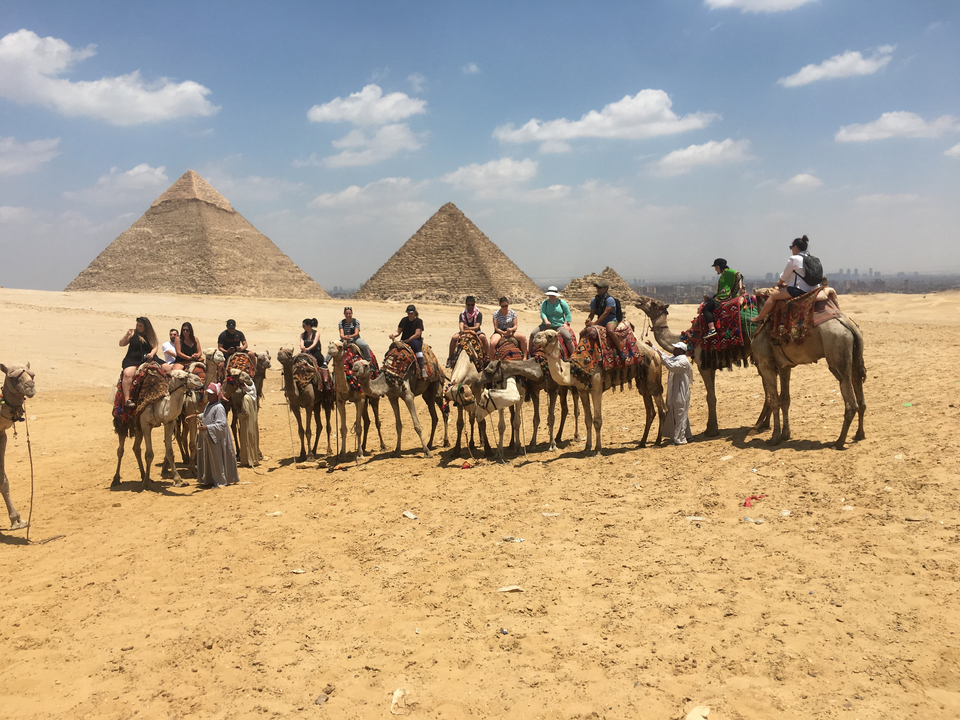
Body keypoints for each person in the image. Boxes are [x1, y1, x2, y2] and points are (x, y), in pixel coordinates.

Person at [750, 235, 817, 325]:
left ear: (796, 247)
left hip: (800, 290)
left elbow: (784, 277)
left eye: (791, 247)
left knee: (773, 295)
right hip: (814, 289)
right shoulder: (812, 259)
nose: (791, 249)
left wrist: (779, 283)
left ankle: (760, 317)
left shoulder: (794, 259)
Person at [196, 383, 239, 487]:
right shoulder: (209, 405)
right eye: (208, 394)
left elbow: (221, 424)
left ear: (217, 395)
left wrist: (207, 428)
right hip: (209, 436)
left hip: (216, 438)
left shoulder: (219, 407)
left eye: (211, 394)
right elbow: (207, 414)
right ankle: (209, 479)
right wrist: (197, 416)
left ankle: (220, 480)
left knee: (217, 459)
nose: (209, 396)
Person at [650, 340, 693, 445]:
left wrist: (663, 357)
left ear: (681, 351)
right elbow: (665, 358)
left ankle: (680, 439)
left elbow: (671, 366)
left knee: (680, 415)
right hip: (674, 392)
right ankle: (688, 436)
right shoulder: (676, 358)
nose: (674, 349)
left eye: (676, 348)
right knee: (680, 415)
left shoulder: (683, 362)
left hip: (681, 393)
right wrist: (652, 347)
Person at [119, 316, 159, 409]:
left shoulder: (150, 335)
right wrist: (127, 335)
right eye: (137, 325)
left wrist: (152, 353)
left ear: (146, 326)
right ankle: (127, 399)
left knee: (167, 368)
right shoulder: (133, 333)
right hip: (133, 358)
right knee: (128, 374)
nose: (138, 327)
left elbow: (155, 345)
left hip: (148, 357)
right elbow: (121, 344)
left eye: (140, 325)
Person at [702, 258, 743, 340]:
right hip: (722, 296)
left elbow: (738, 275)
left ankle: (712, 329)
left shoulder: (728, 272)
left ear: (719, 267)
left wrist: (741, 289)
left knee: (706, 309)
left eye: (716, 268)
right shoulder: (724, 273)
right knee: (709, 301)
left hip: (725, 297)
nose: (716, 270)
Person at [531, 286, 576, 356]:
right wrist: (546, 321)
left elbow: (568, 313)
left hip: (559, 325)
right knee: (533, 334)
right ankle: (530, 354)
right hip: (546, 325)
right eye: (550, 294)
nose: (551, 296)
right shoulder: (545, 303)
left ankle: (573, 356)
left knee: (567, 337)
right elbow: (542, 313)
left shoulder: (562, 303)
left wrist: (565, 323)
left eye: (553, 295)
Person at [586, 281, 625, 359]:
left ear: (606, 289)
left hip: (610, 320)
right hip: (600, 320)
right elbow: (592, 313)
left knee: (610, 331)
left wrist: (595, 323)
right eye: (597, 288)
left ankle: (620, 351)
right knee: (585, 332)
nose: (598, 289)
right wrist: (589, 320)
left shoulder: (610, 300)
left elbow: (606, 313)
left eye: (600, 288)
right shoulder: (594, 300)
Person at [390, 304, 428, 378]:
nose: (409, 314)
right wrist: (393, 335)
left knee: (417, 350)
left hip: (414, 340)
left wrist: (408, 340)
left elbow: (417, 334)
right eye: (408, 313)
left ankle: (423, 369)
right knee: (391, 351)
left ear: (414, 313)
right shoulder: (404, 320)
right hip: (403, 340)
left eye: (411, 313)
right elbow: (398, 331)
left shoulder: (418, 321)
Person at [448, 296, 487, 367]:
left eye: (472, 305)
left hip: (476, 331)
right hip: (465, 332)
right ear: (466, 304)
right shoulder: (462, 314)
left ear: (474, 304)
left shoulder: (478, 314)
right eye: (468, 305)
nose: (470, 306)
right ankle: (450, 359)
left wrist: (469, 328)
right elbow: (461, 324)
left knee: (483, 337)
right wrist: (462, 330)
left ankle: (487, 358)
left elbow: (477, 326)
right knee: (454, 338)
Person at [299, 318, 330, 384]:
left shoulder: (316, 333)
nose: (303, 327)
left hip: (315, 351)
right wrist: (302, 347)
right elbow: (301, 342)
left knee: (321, 362)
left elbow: (314, 343)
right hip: (305, 352)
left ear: (308, 326)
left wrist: (307, 349)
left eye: (304, 326)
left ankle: (325, 381)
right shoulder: (302, 335)